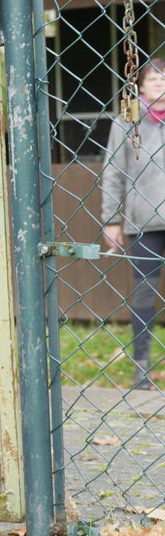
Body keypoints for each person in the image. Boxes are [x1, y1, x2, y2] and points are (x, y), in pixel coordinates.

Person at [102, 57, 165, 390]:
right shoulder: (127, 121)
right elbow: (113, 172)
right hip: (143, 223)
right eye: (153, 78)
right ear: (140, 85)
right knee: (144, 295)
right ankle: (142, 365)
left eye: (164, 78)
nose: (159, 83)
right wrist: (112, 219)